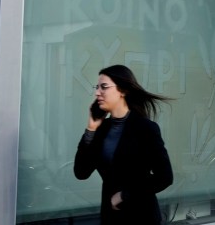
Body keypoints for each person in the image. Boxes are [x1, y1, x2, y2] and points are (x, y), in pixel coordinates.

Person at [74, 64, 174, 224]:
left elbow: (164, 177)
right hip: (111, 218)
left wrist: (124, 195)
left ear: (123, 90)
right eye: (97, 87)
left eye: (104, 87)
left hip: (141, 216)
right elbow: (81, 172)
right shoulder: (101, 129)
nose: (97, 92)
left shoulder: (145, 128)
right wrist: (91, 129)